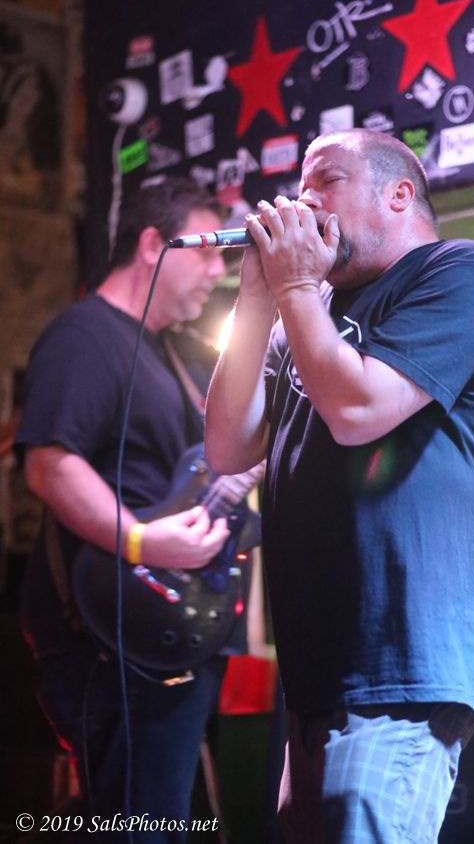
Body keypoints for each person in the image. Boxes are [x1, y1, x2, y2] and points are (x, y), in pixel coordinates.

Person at [205, 129, 474, 843]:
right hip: (317, 671)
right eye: (300, 185)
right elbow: (228, 446)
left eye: (326, 181)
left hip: (404, 661)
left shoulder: (462, 273)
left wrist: (295, 288)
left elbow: (358, 411)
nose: (303, 201)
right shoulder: (308, 312)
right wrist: (258, 299)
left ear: (399, 194)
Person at [16, 177, 258, 840]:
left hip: (161, 635)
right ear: (153, 244)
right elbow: (49, 465)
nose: (217, 270)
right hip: (113, 634)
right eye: (208, 251)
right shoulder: (85, 336)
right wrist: (142, 544)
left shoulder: (169, 352)